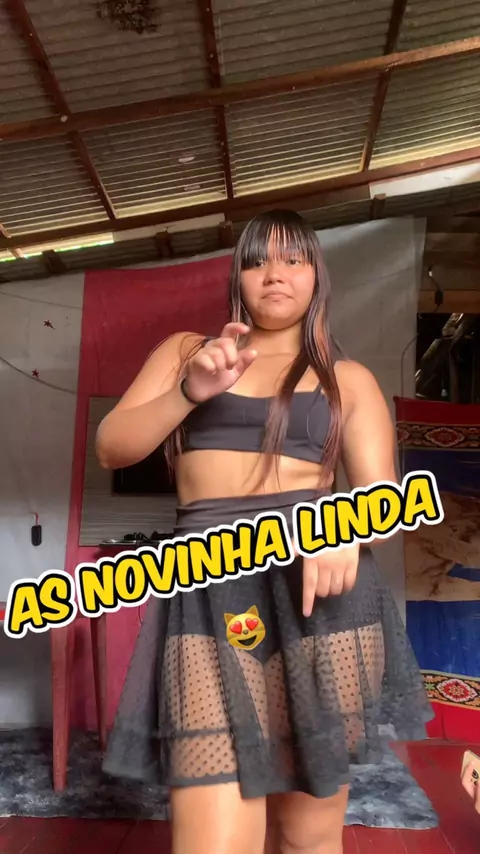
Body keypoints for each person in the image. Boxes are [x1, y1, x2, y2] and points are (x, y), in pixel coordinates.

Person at [96, 210, 433, 854]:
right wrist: (190, 391)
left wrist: (345, 530)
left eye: (293, 259)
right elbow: (113, 447)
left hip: (319, 604)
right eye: (256, 260)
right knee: (213, 840)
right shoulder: (187, 353)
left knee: (306, 836)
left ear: (317, 276)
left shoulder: (349, 379)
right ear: (237, 277)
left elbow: (385, 504)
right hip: (206, 593)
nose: (274, 274)